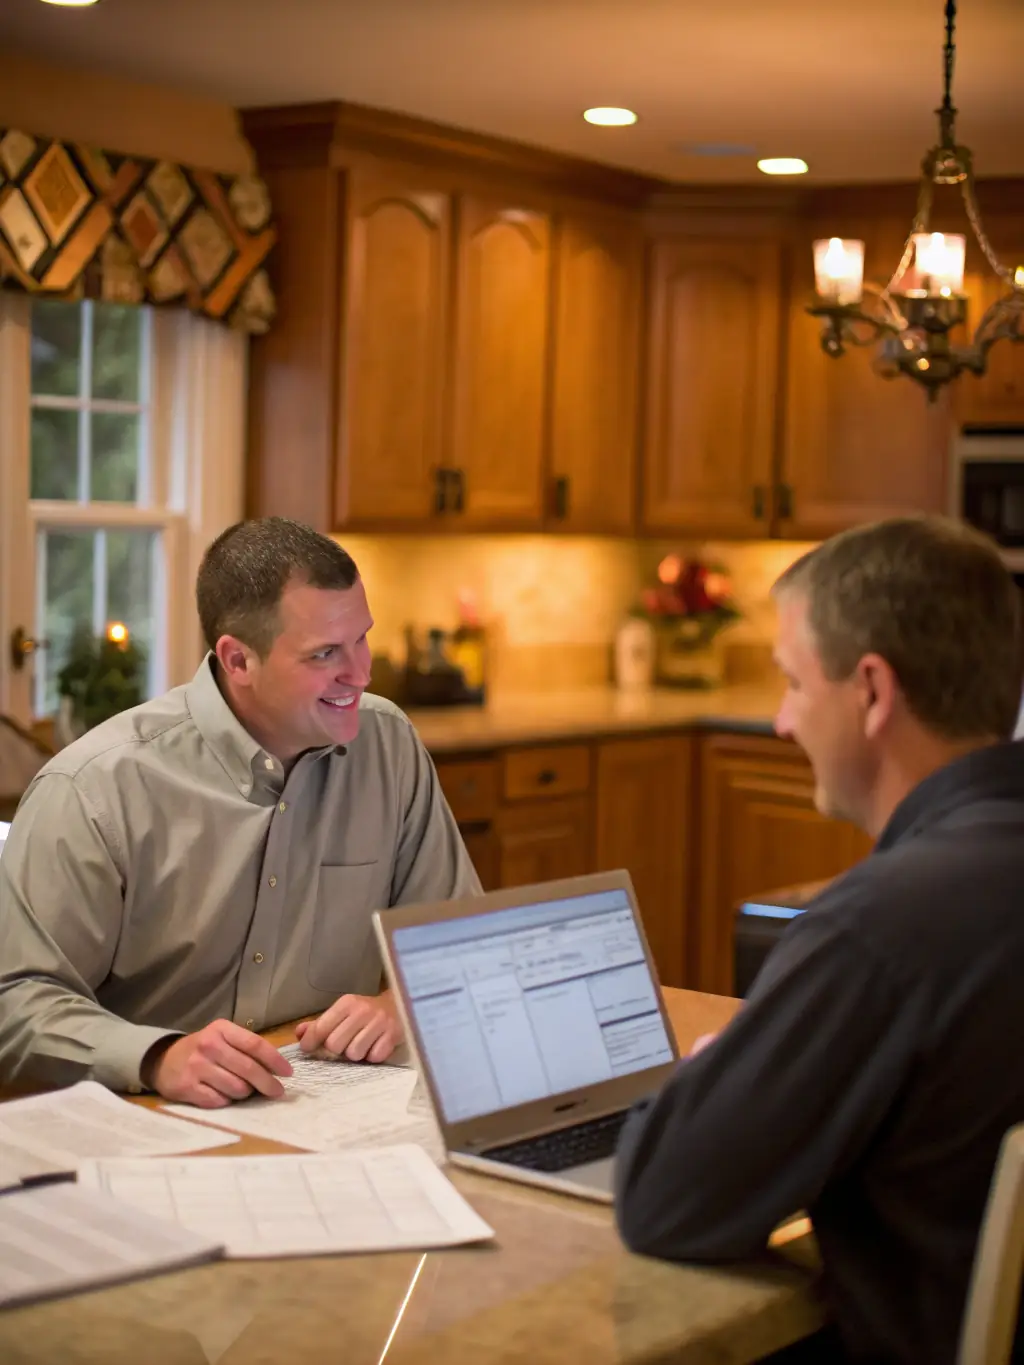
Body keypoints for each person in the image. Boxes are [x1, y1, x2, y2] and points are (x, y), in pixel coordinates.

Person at [615, 515, 1024, 1365]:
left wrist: (715, 1068)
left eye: (794, 683)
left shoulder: (878, 927)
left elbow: (664, 1200)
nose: (780, 721)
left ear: (872, 691)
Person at [0, 517, 480, 1109]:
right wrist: (157, 1056)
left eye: (362, 638)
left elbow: (459, 943)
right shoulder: (94, 788)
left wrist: (399, 1006)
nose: (361, 672)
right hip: (152, 1118)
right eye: (326, 653)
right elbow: (17, 1004)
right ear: (237, 661)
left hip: (337, 1109)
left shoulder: (389, 747)